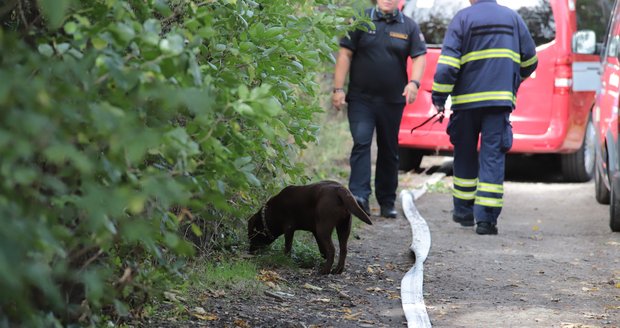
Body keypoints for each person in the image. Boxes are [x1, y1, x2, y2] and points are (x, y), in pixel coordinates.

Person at [431, 0, 538, 234]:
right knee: (492, 157)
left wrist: (439, 96)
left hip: (466, 104)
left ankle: (464, 212)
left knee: (465, 154)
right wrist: (511, 79)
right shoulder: (512, 18)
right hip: (499, 103)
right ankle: (486, 221)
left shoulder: (463, 19)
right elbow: (530, 60)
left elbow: (447, 66)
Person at [332, 0, 426, 218]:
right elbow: (345, 53)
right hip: (360, 99)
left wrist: (414, 83)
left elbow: (419, 56)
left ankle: (386, 200)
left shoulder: (409, 26)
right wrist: (338, 88)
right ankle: (359, 197)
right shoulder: (360, 20)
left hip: (392, 101)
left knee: (389, 149)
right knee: (362, 142)